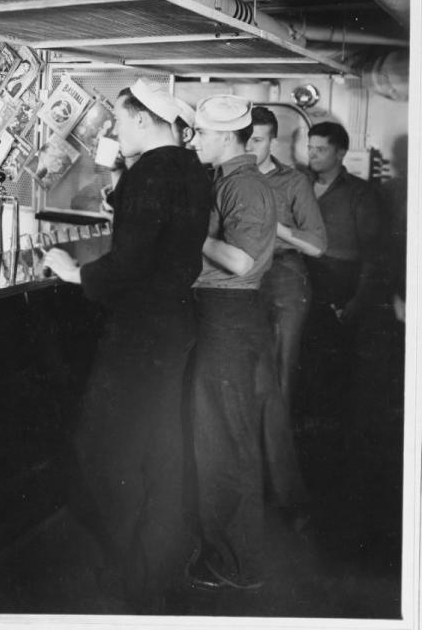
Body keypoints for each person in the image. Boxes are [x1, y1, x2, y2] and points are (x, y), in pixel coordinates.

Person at [43, 79, 211, 612]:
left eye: (118, 120)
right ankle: (163, 563)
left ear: (142, 120)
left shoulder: (149, 172)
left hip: (140, 329)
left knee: (103, 446)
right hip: (177, 323)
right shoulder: (191, 168)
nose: (113, 129)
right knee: (162, 448)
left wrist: (77, 274)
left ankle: (134, 576)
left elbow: (131, 259)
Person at [186, 95, 277, 592]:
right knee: (217, 435)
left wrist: (194, 232)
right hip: (219, 316)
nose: (196, 142)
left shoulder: (244, 185)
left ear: (225, 137)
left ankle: (235, 563)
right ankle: (223, 553)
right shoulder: (230, 181)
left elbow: (241, 262)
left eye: (201, 134)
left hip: (229, 316)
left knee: (226, 437)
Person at [248, 106, 325, 525]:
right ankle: (253, 485)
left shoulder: (294, 181)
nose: (249, 146)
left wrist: (273, 228)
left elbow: (317, 243)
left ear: (273, 140)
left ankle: (283, 494)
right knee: (247, 386)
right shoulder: (227, 175)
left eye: (257, 139)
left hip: (284, 281)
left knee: (278, 385)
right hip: (242, 280)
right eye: (245, 137)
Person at [302, 122, 385, 443]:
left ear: (340, 153)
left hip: (340, 286)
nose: (313, 155)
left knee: (336, 365)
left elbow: (373, 254)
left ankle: (335, 440)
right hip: (305, 280)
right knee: (305, 360)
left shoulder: (360, 193)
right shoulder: (301, 184)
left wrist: (358, 302)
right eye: (310, 148)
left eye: (320, 150)